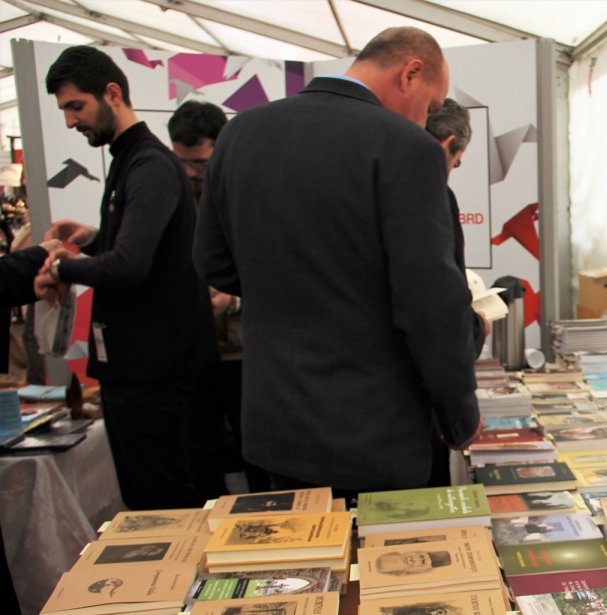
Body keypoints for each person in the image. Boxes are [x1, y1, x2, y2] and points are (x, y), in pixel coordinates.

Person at [194, 27, 482, 496]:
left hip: (276, 424)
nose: (425, 119)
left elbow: (213, 262)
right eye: (430, 107)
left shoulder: (240, 132)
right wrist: (460, 416)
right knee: (382, 546)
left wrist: (293, 290)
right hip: (374, 431)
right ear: (410, 73)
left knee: (302, 545)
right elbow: (430, 305)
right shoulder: (407, 147)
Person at [35, 46, 217, 511]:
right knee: (148, 498)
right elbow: (143, 252)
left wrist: (59, 267)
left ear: (112, 93)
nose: (70, 122)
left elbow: (130, 266)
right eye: (64, 110)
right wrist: (93, 239)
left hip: (153, 371)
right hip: (140, 368)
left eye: (76, 106)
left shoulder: (149, 164)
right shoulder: (131, 159)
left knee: (162, 503)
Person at [169, 100, 264, 494]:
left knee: (257, 459)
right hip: (194, 353)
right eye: (182, 162)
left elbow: (279, 278)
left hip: (245, 354)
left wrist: (234, 300)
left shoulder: (251, 197)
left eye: (200, 163)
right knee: (201, 456)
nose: (191, 173)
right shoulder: (173, 198)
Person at [424, 97, 486, 487]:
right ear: (449, 144)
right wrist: (461, 419)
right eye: (457, 162)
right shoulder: (429, 196)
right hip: (409, 416)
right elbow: (435, 313)